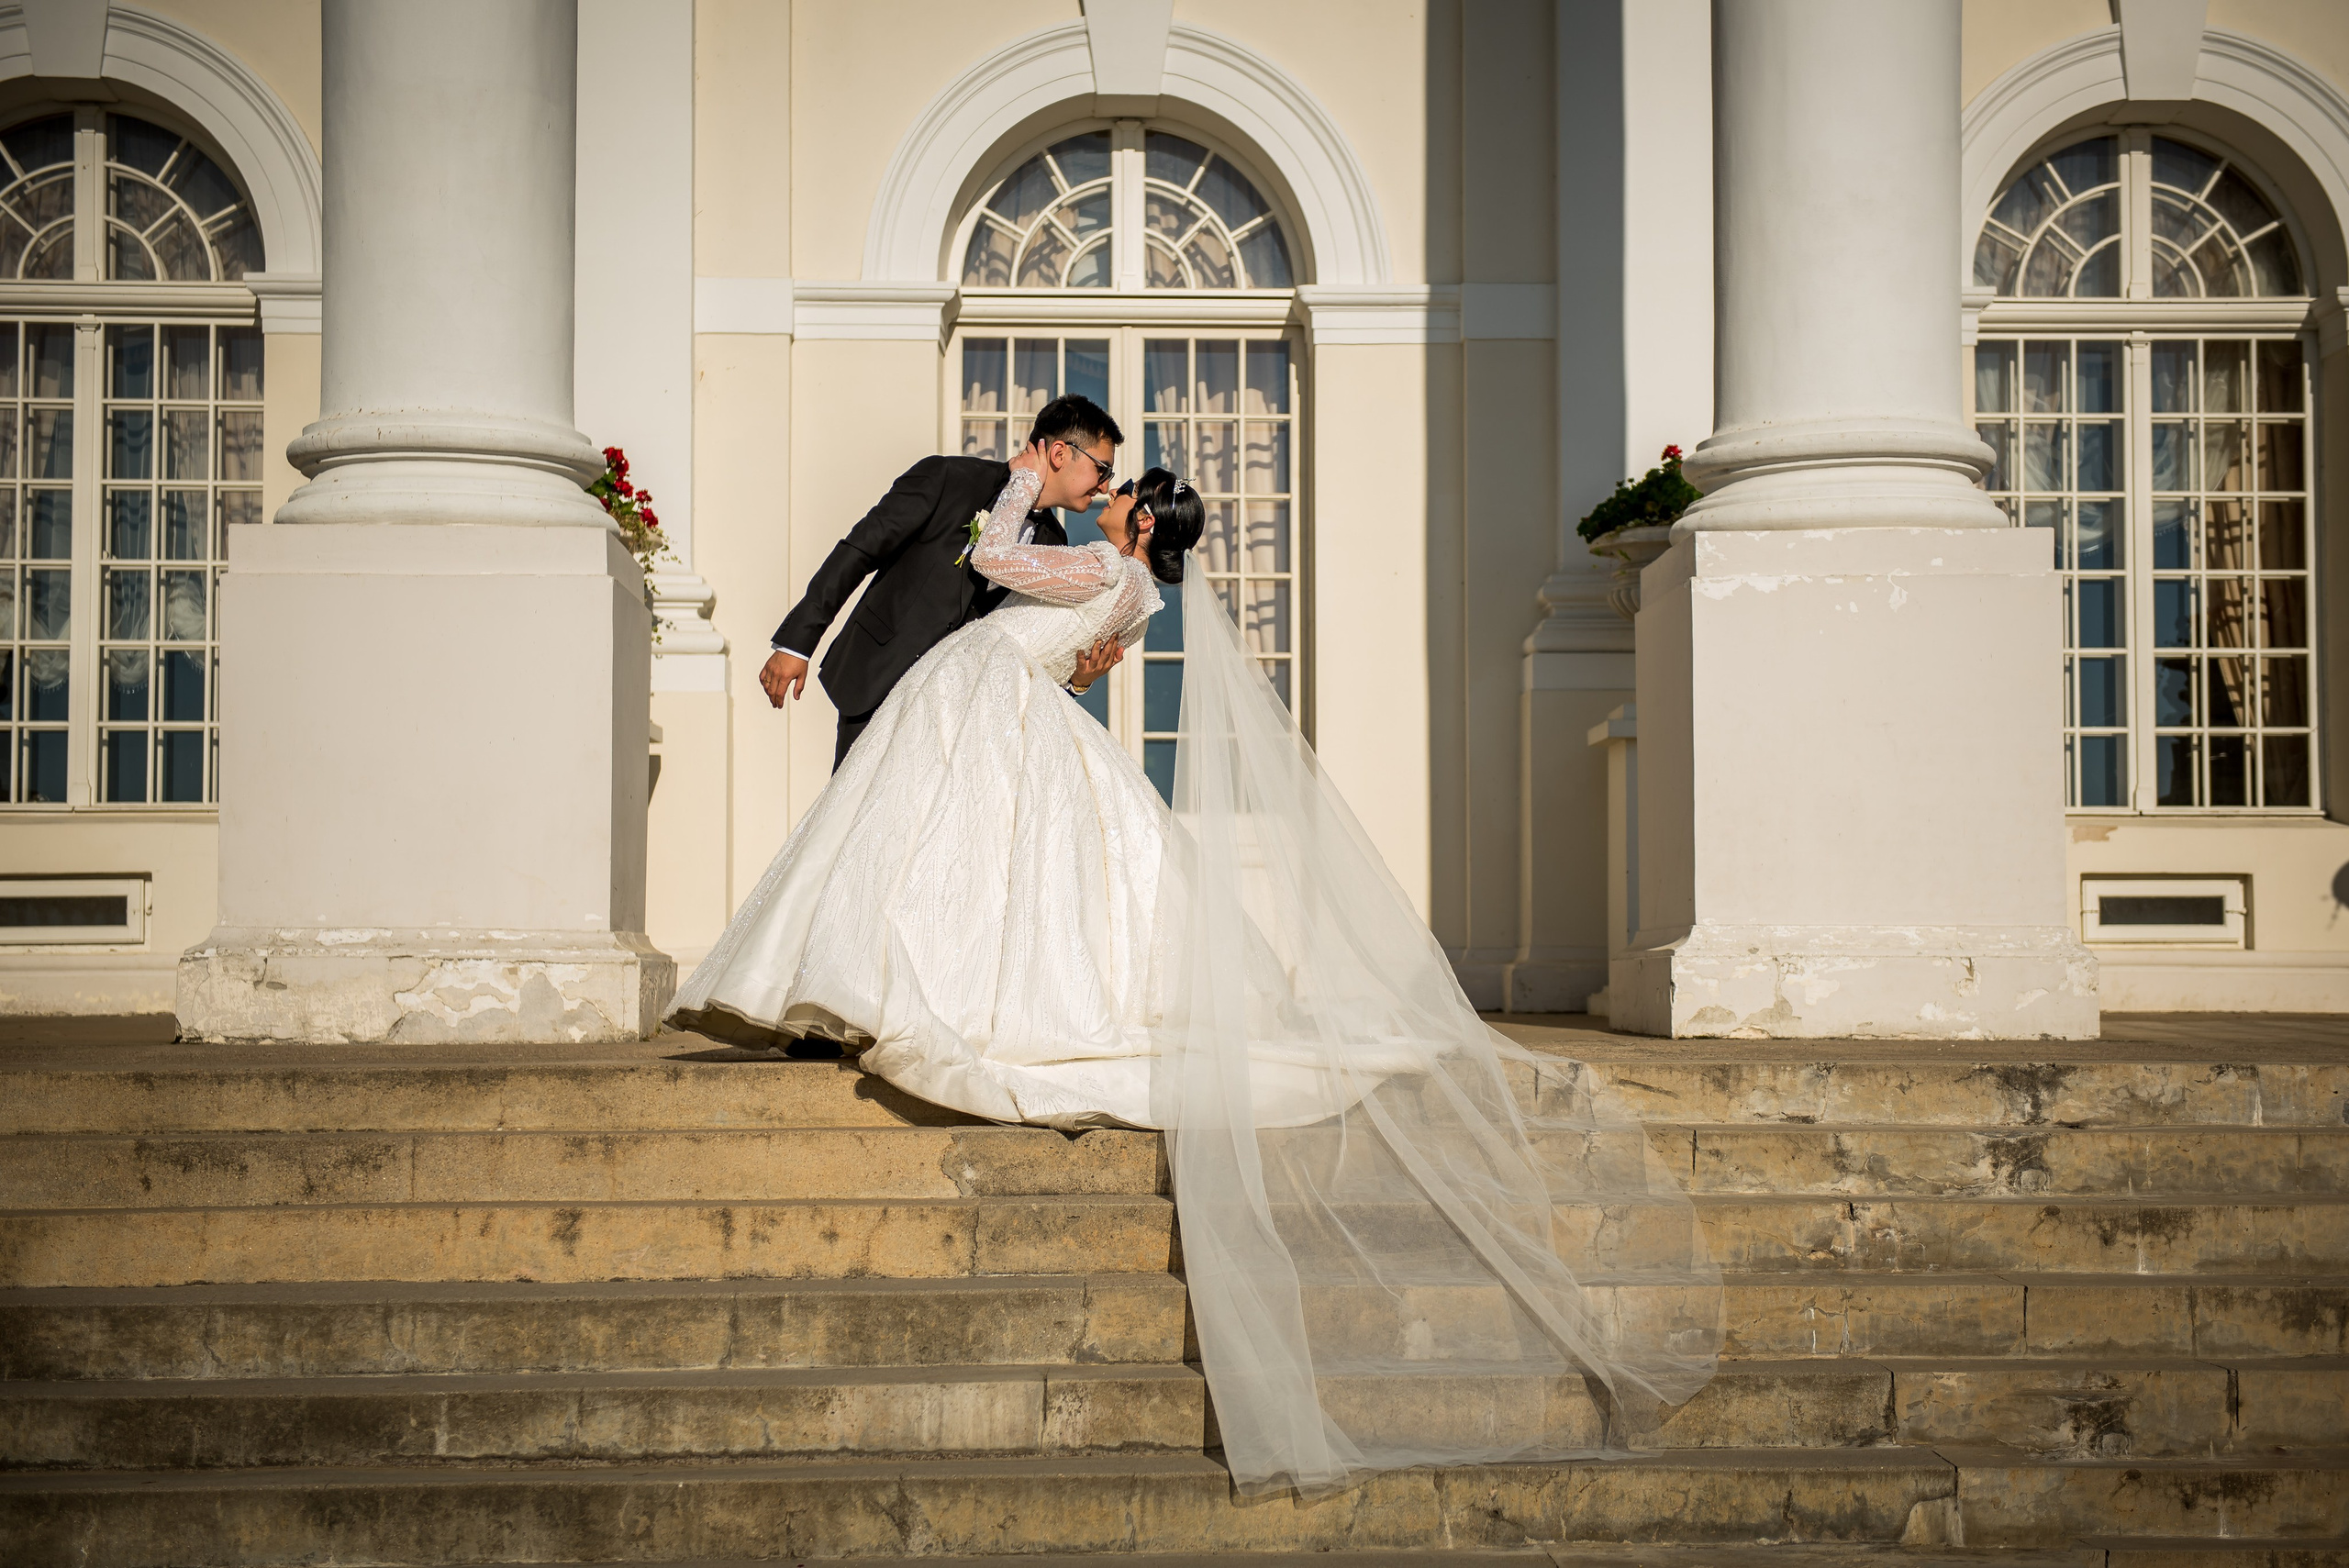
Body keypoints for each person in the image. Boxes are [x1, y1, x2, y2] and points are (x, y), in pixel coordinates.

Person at [671, 455, 1720, 1497]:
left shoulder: (1103, 570)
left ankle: (892, 988)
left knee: (947, 860)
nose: (1112, 494)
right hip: (1001, 700)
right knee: (977, 868)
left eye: (1124, 493)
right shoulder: (1135, 595)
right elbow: (1086, 669)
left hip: (980, 700)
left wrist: (1022, 486)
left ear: (1136, 523)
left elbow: (991, 557)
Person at [761, 394, 1129, 770]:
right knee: (853, 821)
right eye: (1102, 469)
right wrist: (796, 644)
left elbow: (1027, 647)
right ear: (1060, 454)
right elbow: (859, 551)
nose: (1104, 486)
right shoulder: (948, 478)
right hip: (878, 681)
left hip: (957, 718)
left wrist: (1078, 681)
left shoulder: (1055, 543)